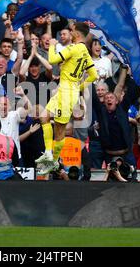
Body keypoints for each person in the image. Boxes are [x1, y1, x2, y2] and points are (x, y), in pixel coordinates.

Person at [35, 22, 98, 174]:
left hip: (66, 93)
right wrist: (80, 87)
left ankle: (53, 160)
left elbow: (52, 60)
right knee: (44, 117)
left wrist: (52, 44)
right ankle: (49, 154)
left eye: (71, 30)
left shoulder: (74, 48)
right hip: (67, 90)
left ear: (76, 34)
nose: (70, 32)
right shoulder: (85, 52)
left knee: (59, 130)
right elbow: (93, 75)